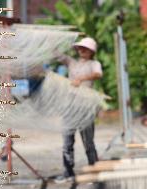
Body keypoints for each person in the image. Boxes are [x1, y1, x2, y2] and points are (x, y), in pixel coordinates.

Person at [55, 37, 103, 182]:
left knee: (88, 143)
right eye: (80, 48)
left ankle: (95, 173)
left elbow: (98, 74)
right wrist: (55, 38)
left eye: (85, 48)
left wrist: (81, 79)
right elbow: (56, 55)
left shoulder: (94, 64)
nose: (82, 50)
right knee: (67, 142)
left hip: (86, 108)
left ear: (91, 52)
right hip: (70, 107)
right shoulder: (72, 63)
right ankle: (68, 172)